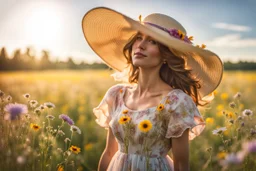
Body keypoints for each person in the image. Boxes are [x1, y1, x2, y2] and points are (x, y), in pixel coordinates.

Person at [82, 7, 223, 171]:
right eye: (139, 38)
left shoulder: (177, 102)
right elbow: (109, 152)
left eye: (153, 41)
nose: (140, 45)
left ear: (166, 55)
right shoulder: (117, 94)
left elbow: (181, 165)